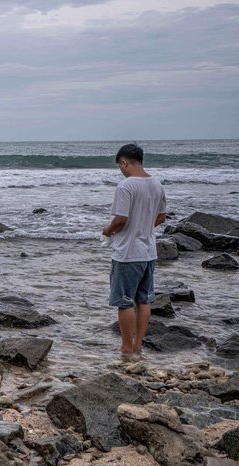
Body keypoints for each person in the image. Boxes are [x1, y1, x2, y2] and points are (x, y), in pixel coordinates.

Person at [102, 143, 167, 354]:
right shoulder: (156, 184)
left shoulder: (126, 186)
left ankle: (126, 348)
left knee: (124, 302)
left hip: (128, 253)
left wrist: (108, 230)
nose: (120, 170)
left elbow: (121, 219)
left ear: (124, 162)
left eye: (120, 166)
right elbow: (161, 217)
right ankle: (137, 346)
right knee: (143, 300)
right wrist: (143, 227)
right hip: (149, 251)